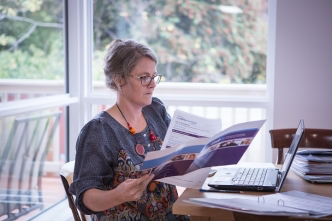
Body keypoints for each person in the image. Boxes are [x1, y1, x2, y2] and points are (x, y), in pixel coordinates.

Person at [69, 39, 190, 221]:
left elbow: (178, 153)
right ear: (119, 80)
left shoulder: (156, 111)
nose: (153, 84)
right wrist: (118, 195)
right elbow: (85, 199)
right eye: (144, 77)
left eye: (154, 76)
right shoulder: (99, 130)